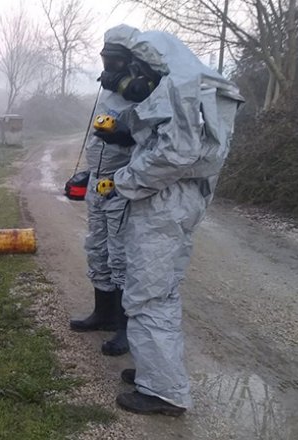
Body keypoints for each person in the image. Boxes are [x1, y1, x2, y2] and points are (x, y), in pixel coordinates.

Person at [101, 25, 244, 416]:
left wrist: (123, 180)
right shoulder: (180, 83)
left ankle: (163, 391)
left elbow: (174, 154)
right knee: (159, 289)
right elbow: (164, 139)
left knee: (148, 293)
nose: (117, 77)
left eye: (119, 66)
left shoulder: (179, 88)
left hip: (165, 202)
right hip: (177, 199)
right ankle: (155, 370)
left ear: (141, 59)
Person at [69, 25, 145, 358]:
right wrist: (86, 173)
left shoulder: (146, 93)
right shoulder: (106, 95)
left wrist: (125, 136)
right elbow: (95, 136)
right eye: (105, 59)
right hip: (98, 184)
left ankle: (125, 329)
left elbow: (152, 140)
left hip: (121, 185)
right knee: (96, 249)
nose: (108, 67)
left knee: (120, 255)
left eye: (115, 61)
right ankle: (103, 313)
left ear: (130, 63)